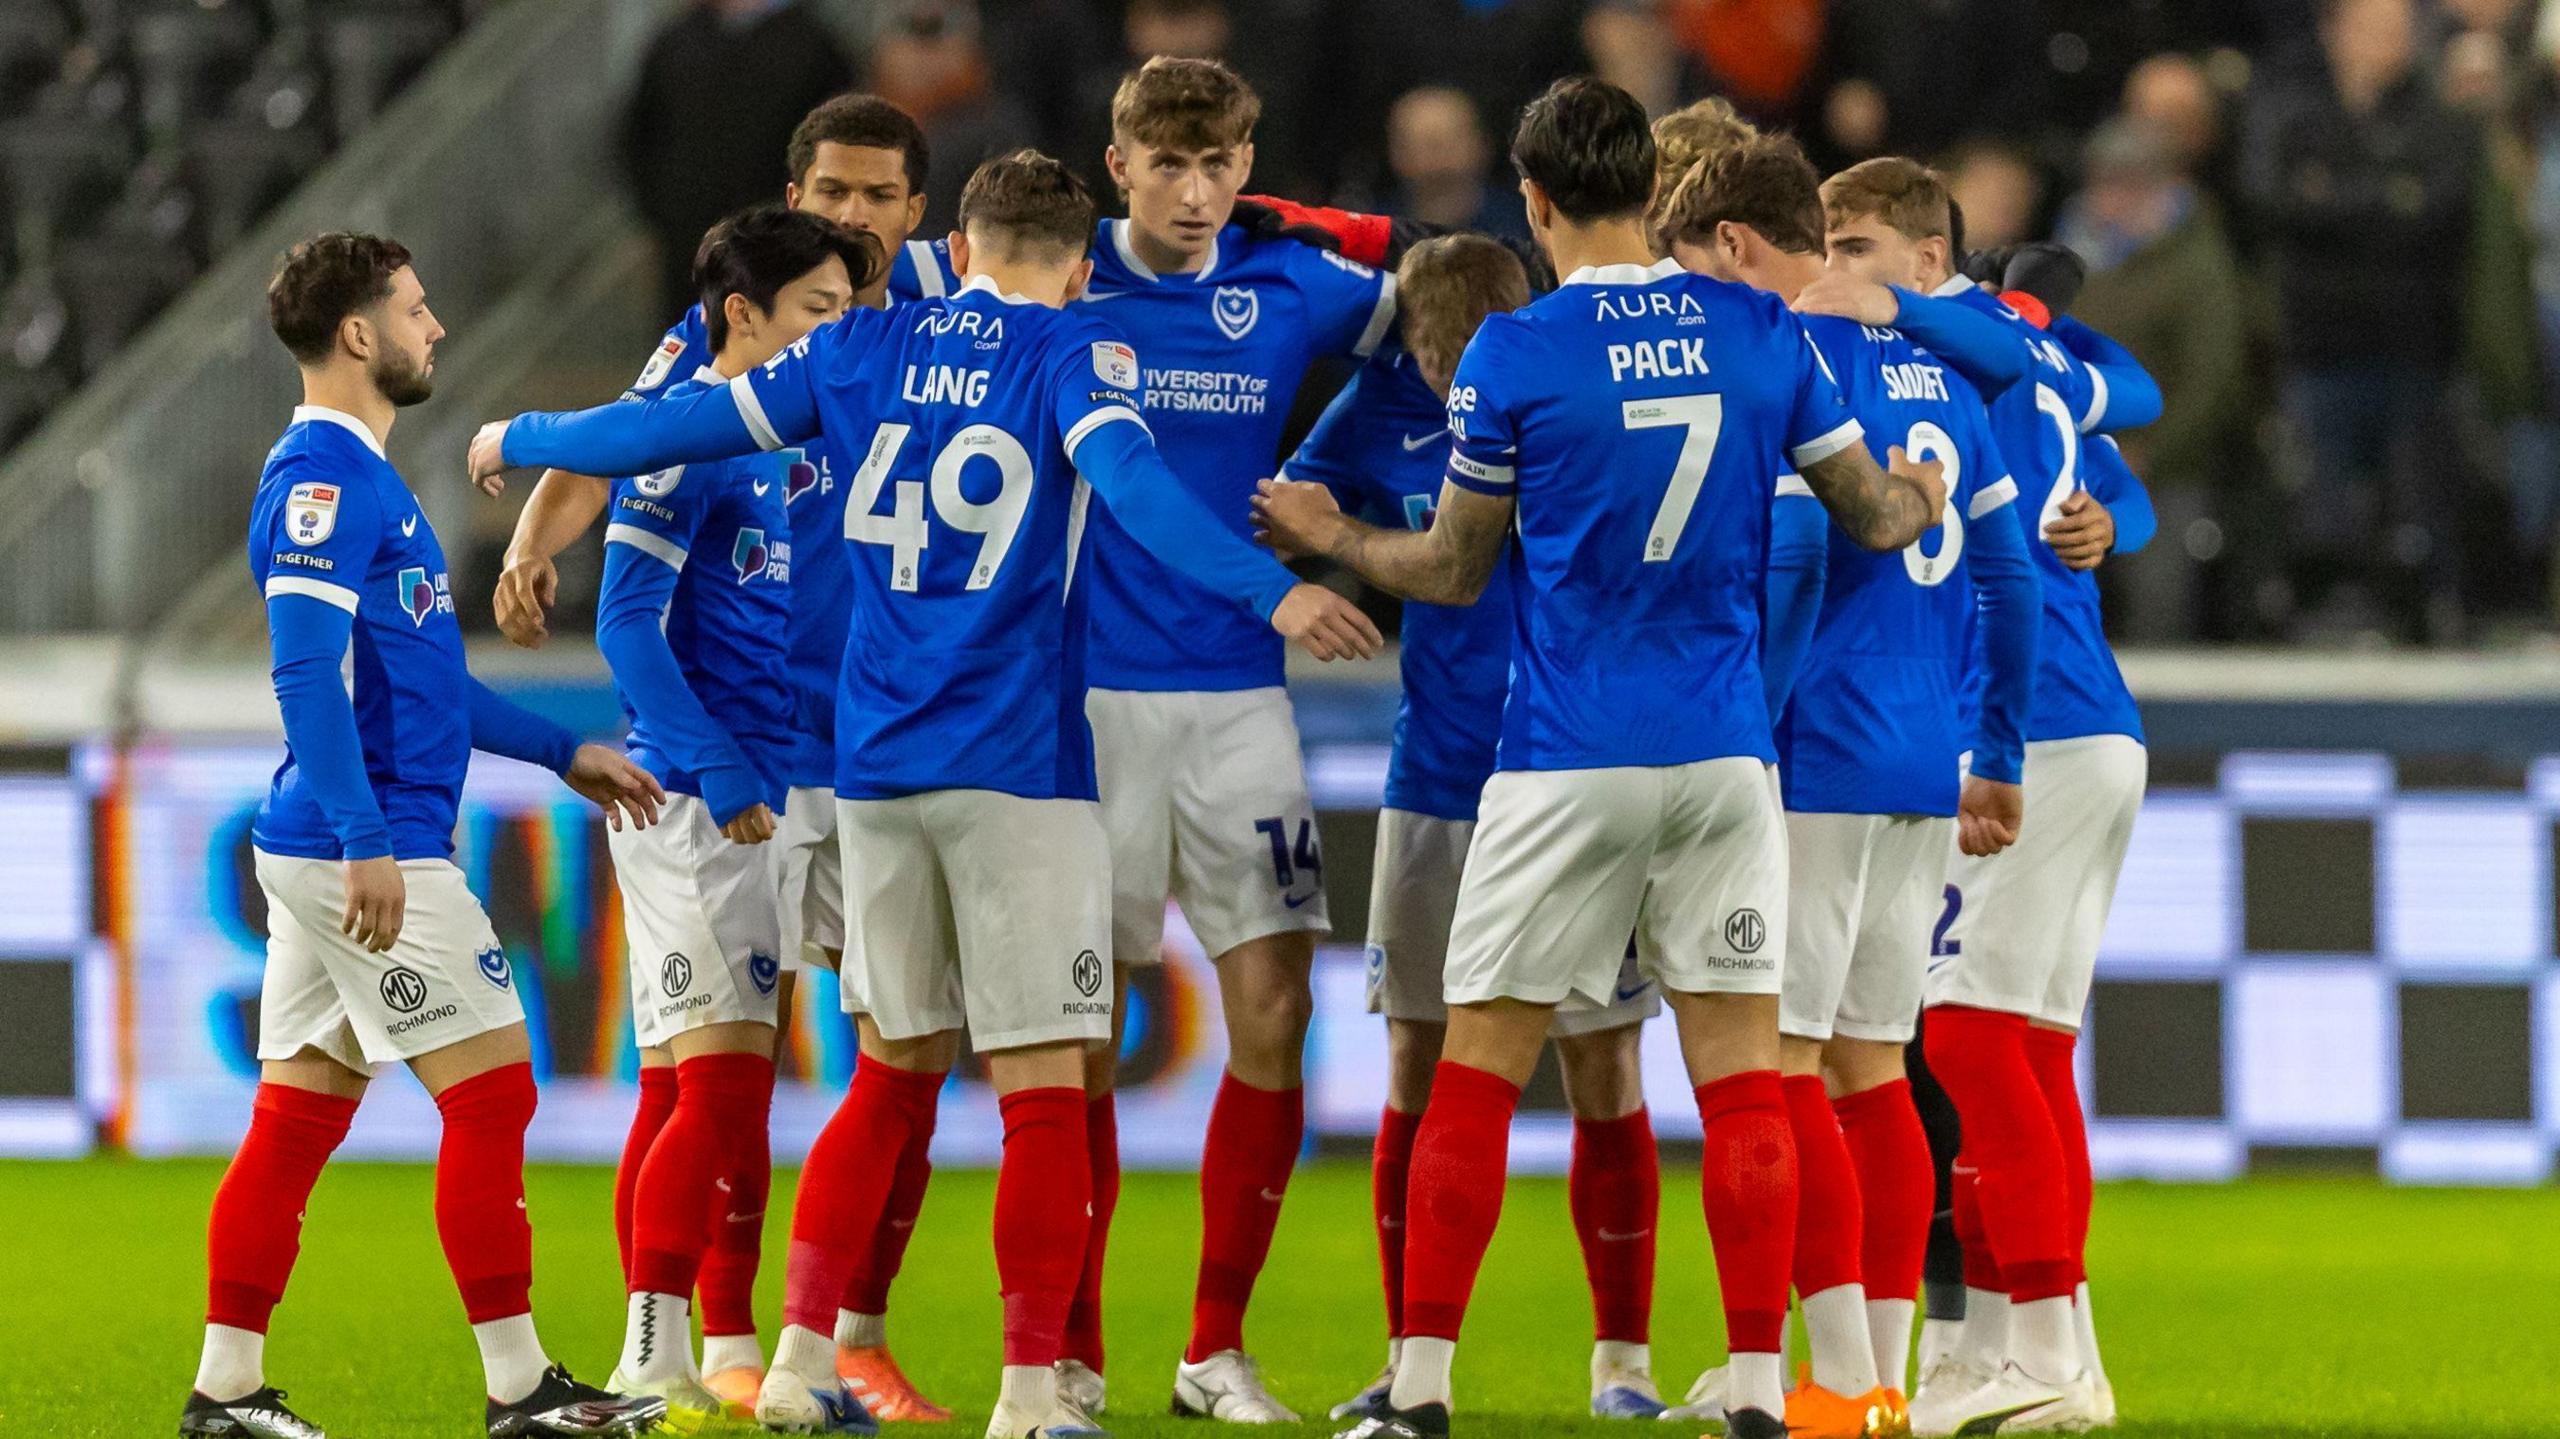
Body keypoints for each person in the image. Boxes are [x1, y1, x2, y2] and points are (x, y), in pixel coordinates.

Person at [469, 147, 1382, 1439]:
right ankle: (1029, 1392)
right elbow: (1135, 493)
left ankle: (795, 1360)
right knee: (1046, 1080)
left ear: (960, 233)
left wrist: (521, 434)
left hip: (874, 769)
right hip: (1017, 767)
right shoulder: (1075, 356)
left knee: (888, 1073)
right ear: (1077, 266)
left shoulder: (860, 351)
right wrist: (1271, 587)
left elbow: (670, 422)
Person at [1255, 77, 1946, 1439]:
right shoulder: (1758, 329)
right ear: (1658, 189)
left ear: (1533, 199)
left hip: (1566, 753)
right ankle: (1762, 1385)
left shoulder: (1516, 352)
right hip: (1725, 754)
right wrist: (1925, 490)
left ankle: (1424, 1386)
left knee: (1478, 1065)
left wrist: (1336, 538)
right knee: (1746, 1069)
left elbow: (1452, 570)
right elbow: (1870, 515)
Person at [482, 94, 958, 1422]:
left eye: (875, 199)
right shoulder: (709, 385)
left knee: (892, 1049)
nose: (853, 222)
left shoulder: (911, 350)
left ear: (916, 212)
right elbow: (627, 579)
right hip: (713, 782)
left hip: (862, 765)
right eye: (831, 199)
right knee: (715, 1067)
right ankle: (683, 1338)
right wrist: (531, 538)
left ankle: (836, 1332)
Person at [187, 233, 668, 1439]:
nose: (436, 325)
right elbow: (304, 670)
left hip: (349, 837)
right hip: (368, 843)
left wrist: (565, 750)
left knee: (295, 1117)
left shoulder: (364, 475)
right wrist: (365, 839)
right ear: (360, 335)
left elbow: (423, 680)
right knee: (495, 1091)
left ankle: (226, 1391)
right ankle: (519, 1390)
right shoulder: (322, 479)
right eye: (415, 306)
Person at [1652, 133, 2042, 1439]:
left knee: (1796, 1064)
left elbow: (1805, 538)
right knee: (1878, 1064)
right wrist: (1995, 745)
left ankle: (1833, 1376)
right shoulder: (1954, 373)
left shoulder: (1799, 357)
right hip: (1923, 754)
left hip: (1816, 745)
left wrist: (1748, 717)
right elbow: (2013, 576)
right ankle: (1878, 1370)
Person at [1284, 236, 1669, 1426]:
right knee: (1416, 1062)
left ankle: (1624, 1364)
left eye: (1463, 353)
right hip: (1441, 780)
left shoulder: (1565, 379)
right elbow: (1286, 506)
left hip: (1576, 768)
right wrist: (1300, 554)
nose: (1450, 377)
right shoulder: (1379, 402)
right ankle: (1411, 1356)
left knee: (1601, 1059)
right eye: (1433, 356)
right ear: (1404, 344)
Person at [1802, 155, 2159, 1436]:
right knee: (2028, 1048)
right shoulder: (2030, 358)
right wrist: (2125, 521)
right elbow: (2132, 417)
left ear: (1929, 258)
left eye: (1850, 244)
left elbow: (2111, 405)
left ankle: (2043, 1346)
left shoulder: (1962, 347)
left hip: (2036, 723)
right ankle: (2041, 1346)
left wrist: (1895, 310)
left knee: (1960, 1039)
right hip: (2085, 714)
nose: (1826, 265)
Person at [1076, 56, 1400, 1424]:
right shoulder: (1049, 276)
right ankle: (1069, 1352)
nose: (1198, 193)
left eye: (1221, 166)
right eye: (1171, 165)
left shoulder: (1289, 284)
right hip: (1081, 704)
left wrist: (1328, 481)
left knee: (1277, 1004)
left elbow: (1453, 312)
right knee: (1076, 1031)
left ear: (1247, 163)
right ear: (1119, 164)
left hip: (1237, 704)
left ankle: (1215, 1345)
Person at [589, 208, 873, 1425]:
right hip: (701, 803)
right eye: (816, 308)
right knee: (714, 1090)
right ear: (742, 315)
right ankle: (646, 1356)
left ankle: (671, 1348)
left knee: (682, 1088)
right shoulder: (683, 441)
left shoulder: (765, 435)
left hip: (730, 789)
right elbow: (623, 623)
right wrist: (723, 767)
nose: (835, 331)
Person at [2240, 0, 2478, 641]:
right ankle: (2317, 625)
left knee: (2420, 511)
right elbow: (2270, 201)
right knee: (2320, 506)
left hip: (2414, 348)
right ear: (2333, 32)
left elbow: (2440, 212)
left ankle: (2429, 630)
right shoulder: (2292, 113)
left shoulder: (2439, 119)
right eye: (2373, 28)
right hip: (2319, 345)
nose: (2389, 43)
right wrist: (2389, 197)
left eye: (2399, 30)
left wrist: (2331, 197)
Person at [622, 0, 859, 317]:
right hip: (689, 254)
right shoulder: (677, 41)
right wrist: (665, 212)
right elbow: (638, 137)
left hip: (778, 255)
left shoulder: (813, 45)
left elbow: (836, 146)